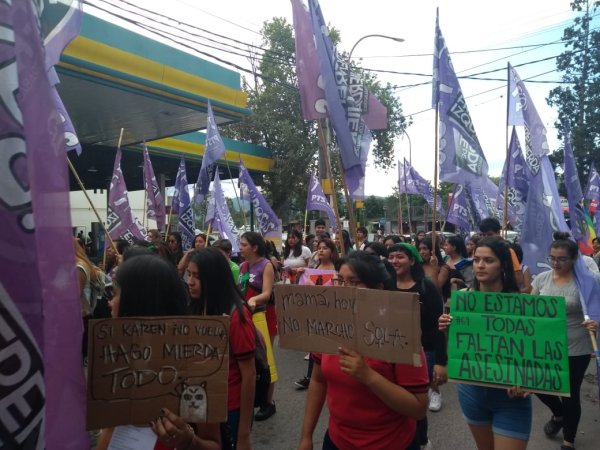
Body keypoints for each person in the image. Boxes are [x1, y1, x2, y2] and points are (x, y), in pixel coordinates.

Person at [298, 251, 429, 450]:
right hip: (336, 441)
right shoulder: (329, 326)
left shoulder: (400, 334)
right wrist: (306, 436)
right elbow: (317, 381)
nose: (343, 288)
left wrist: (368, 376)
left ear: (378, 288)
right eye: (340, 280)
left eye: (353, 282)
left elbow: (418, 408)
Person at [96, 254, 221, 450]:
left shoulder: (193, 370)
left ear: (136, 301)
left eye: (116, 293)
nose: (110, 303)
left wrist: (189, 441)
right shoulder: (114, 358)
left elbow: (213, 445)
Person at [439, 237, 532, 450]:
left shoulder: (523, 305)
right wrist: (446, 327)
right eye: (477, 259)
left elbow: (534, 352)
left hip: (511, 397)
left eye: (488, 260)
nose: (480, 265)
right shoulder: (462, 299)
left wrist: (529, 382)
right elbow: (457, 348)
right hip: (471, 392)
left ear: (503, 266)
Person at [531, 232, 599, 450]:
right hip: (545, 346)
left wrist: (595, 322)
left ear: (573, 259)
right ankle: (559, 414)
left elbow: (597, 310)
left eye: (562, 258)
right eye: (552, 257)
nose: (556, 262)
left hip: (575, 347)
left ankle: (569, 441)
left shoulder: (586, 282)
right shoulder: (541, 279)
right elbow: (528, 309)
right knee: (537, 385)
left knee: (570, 392)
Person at [188, 248, 257, 450]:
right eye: (189, 275)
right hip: (200, 405)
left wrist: (243, 434)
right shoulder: (194, 307)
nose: (190, 281)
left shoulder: (236, 317)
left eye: (197, 277)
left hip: (230, 410)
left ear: (214, 279)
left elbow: (249, 375)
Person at [387, 243, 447, 448]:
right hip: (393, 349)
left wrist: (440, 361)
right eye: (391, 257)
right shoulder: (385, 285)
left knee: (416, 400)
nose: (395, 261)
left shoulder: (426, 286)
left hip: (423, 350)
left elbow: (439, 324)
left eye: (400, 257)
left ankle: (422, 440)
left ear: (412, 261)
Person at [238, 231, 278, 421]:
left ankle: (268, 402)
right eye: (240, 244)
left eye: (244, 245)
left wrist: (253, 299)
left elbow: (267, 293)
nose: (240, 248)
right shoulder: (243, 266)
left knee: (266, 359)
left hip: (263, 315)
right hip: (245, 315)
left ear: (254, 247)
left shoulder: (266, 265)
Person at [479, 217, 523, 287]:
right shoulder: (478, 250)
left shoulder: (508, 251)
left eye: (489, 234)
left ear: (498, 233)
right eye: (483, 235)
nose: (486, 238)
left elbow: (518, 278)